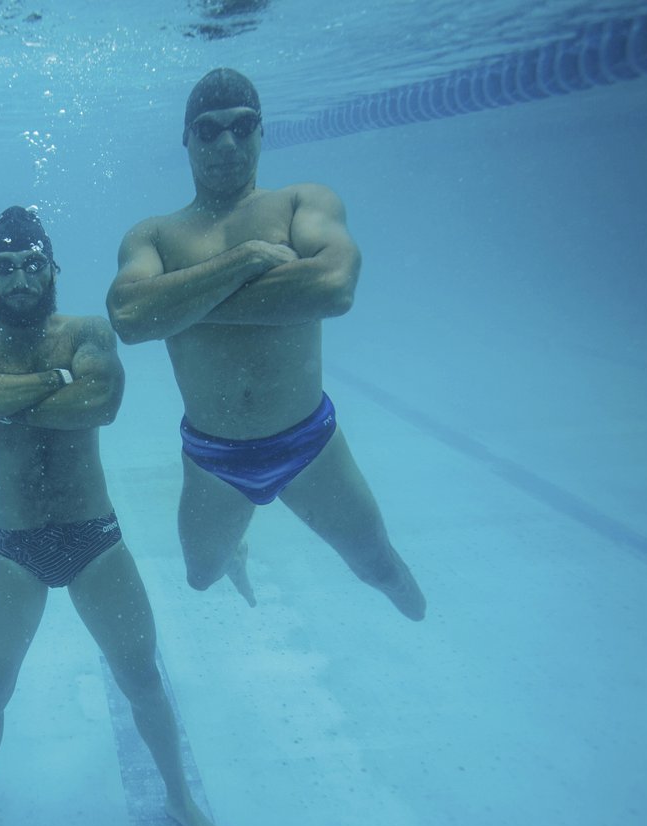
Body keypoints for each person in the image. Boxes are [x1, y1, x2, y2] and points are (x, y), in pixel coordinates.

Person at [0, 207, 232, 826]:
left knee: (143, 677)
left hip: (94, 538)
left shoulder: (89, 330)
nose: (19, 277)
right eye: (4, 266)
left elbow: (102, 403)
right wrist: (53, 381)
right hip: (14, 546)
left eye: (32, 262)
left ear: (52, 268)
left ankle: (181, 797)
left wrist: (2, 398)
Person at [106, 68, 426, 620]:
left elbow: (333, 286)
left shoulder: (302, 201)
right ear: (186, 139)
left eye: (242, 126)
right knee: (202, 576)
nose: (226, 143)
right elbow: (130, 318)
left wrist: (186, 310)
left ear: (261, 132)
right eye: (208, 130)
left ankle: (427, 625)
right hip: (212, 458)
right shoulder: (153, 233)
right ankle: (239, 550)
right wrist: (248, 260)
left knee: (380, 568)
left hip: (308, 444)